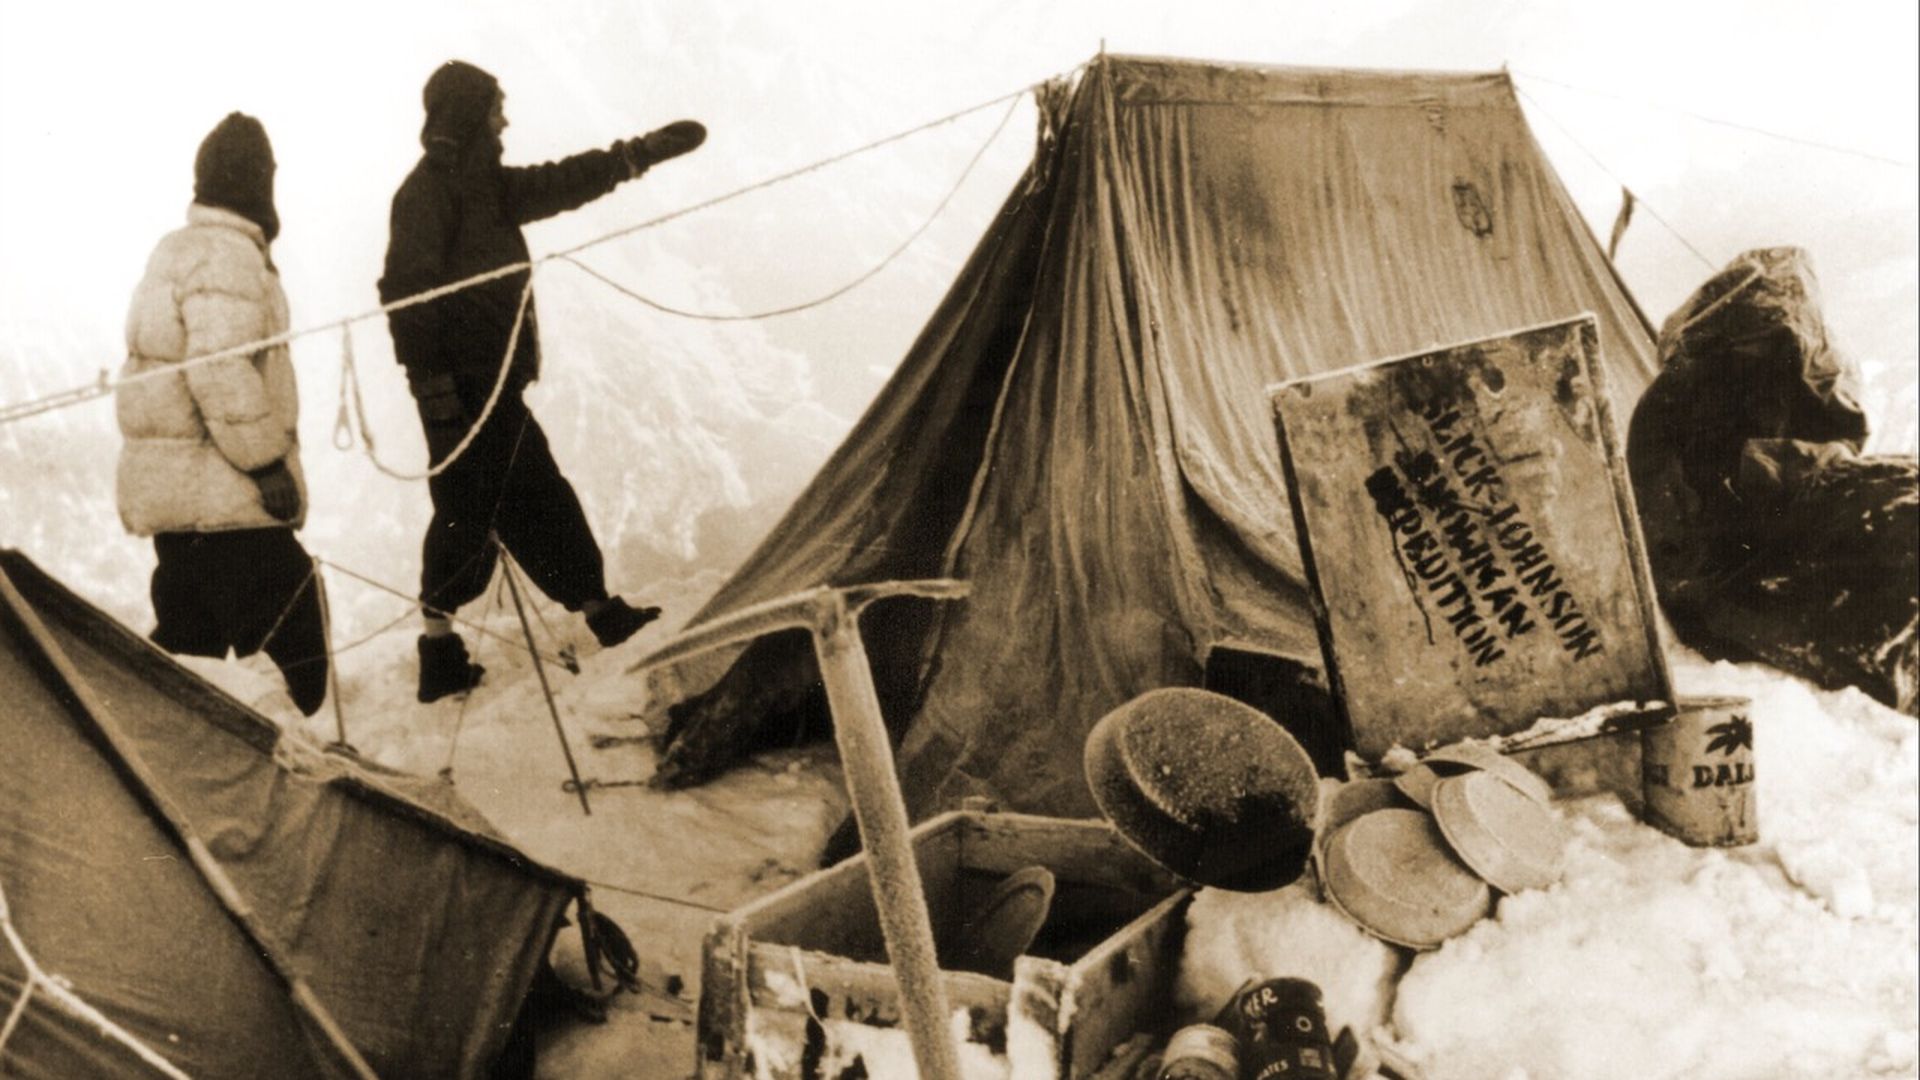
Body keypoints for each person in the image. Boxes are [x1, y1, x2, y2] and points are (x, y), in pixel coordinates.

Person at [379, 60, 705, 703]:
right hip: (458, 389)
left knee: (514, 496)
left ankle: (570, 614)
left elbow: (563, 182)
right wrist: (432, 384)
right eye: (497, 106)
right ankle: (464, 643)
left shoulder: (484, 186)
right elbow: (405, 293)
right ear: (471, 115)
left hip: (488, 385)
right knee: (482, 507)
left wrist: (636, 155)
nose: (505, 119)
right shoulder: (426, 194)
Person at [117, 112, 327, 716]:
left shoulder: (176, 251)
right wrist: (266, 467)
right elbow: (219, 366)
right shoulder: (229, 256)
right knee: (297, 659)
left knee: (189, 660)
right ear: (259, 181)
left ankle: (157, 775)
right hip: (227, 504)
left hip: (179, 509)